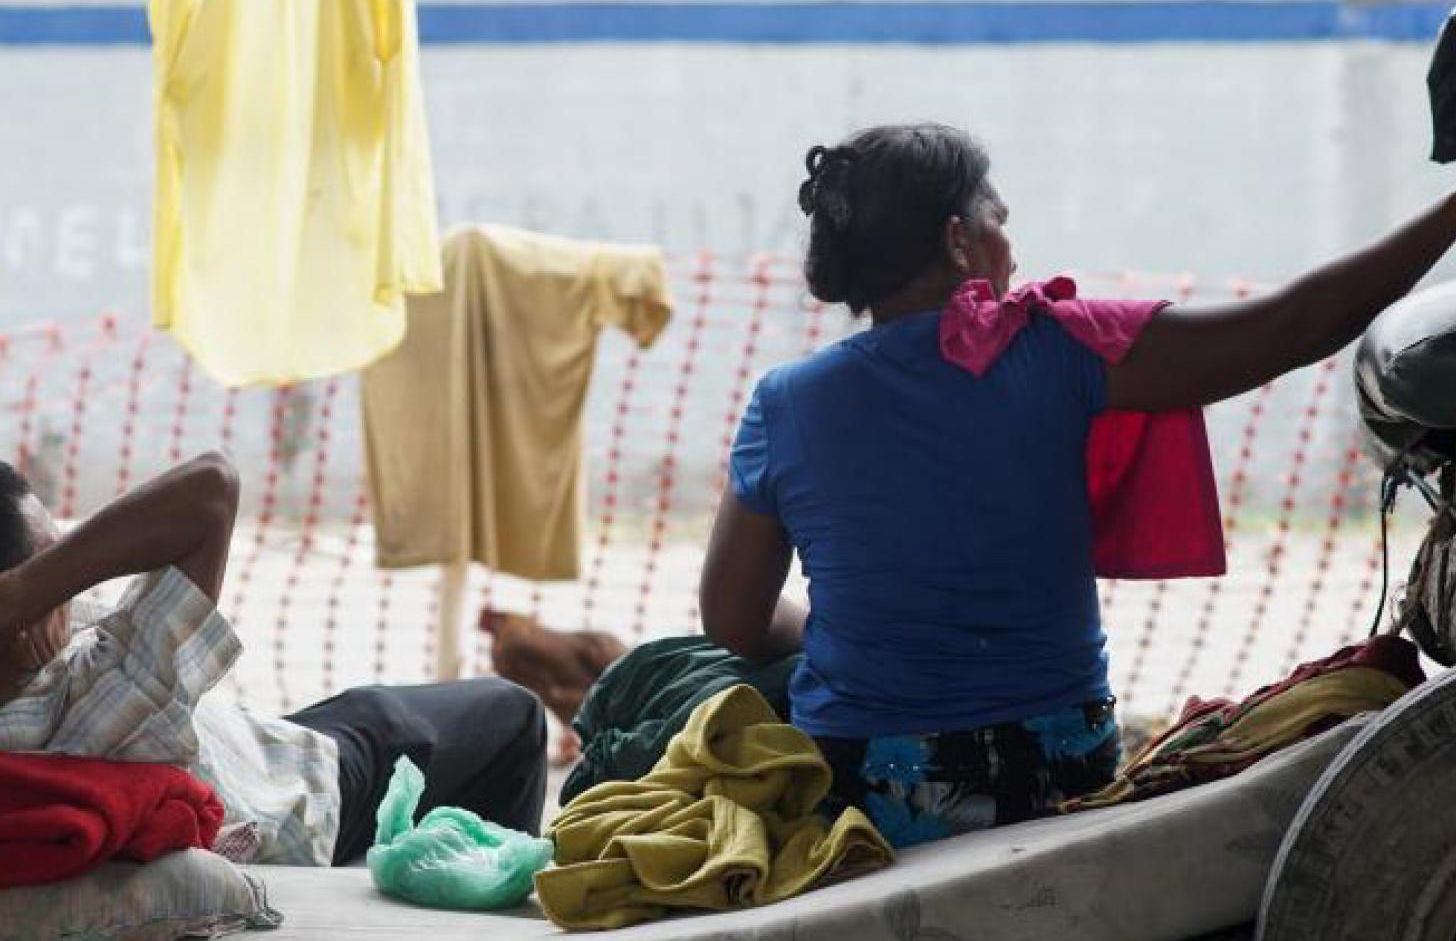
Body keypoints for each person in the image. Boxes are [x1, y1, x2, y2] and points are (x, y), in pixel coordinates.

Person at [699, 122, 1456, 849]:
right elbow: (1297, 325)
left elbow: (732, 622)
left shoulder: (787, 401)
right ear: (959, 241)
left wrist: (853, 646)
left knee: (683, 681)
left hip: (868, 787)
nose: (1010, 234)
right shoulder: (1061, 348)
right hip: (1058, 767)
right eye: (996, 214)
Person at [0, 453, 546, 865]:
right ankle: (496, 914)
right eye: (55, 572)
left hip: (259, 746)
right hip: (307, 785)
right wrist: (24, 593)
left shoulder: (41, 686)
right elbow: (211, 488)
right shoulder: (90, 702)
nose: (67, 595)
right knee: (514, 714)